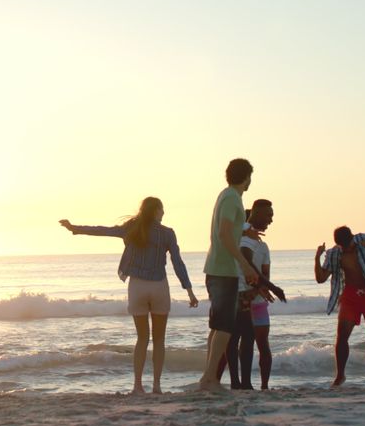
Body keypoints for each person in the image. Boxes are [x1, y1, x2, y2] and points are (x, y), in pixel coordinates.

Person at [59, 197, 199, 394]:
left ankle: (137, 386)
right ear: (157, 210)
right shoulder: (167, 233)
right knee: (159, 340)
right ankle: (157, 387)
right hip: (159, 286)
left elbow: (103, 231)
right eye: (162, 209)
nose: (164, 213)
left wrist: (75, 228)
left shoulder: (132, 228)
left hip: (137, 287)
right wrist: (190, 291)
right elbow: (178, 262)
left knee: (142, 338)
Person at [198, 158, 260, 393]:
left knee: (217, 326)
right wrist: (244, 264)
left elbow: (229, 229)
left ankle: (209, 377)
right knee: (224, 327)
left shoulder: (226, 196)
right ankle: (209, 379)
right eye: (250, 177)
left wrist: (246, 230)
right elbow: (224, 234)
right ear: (246, 177)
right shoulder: (232, 198)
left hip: (217, 268)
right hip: (223, 269)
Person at [314, 226, 365, 387]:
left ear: (353, 237)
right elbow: (321, 278)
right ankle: (340, 376)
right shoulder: (335, 253)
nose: (346, 249)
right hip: (350, 296)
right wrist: (317, 257)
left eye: (348, 244)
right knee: (342, 336)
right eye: (342, 246)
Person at [217, 198, 281, 390]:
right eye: (269, 215)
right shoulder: (240, 240)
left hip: (254, 298)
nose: (271, 220)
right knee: (233, 341)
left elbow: (265, 273)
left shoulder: (261, 246)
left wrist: (256, 291)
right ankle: (228, 381)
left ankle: (258, 385)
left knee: (253, 342)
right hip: (238, 296)